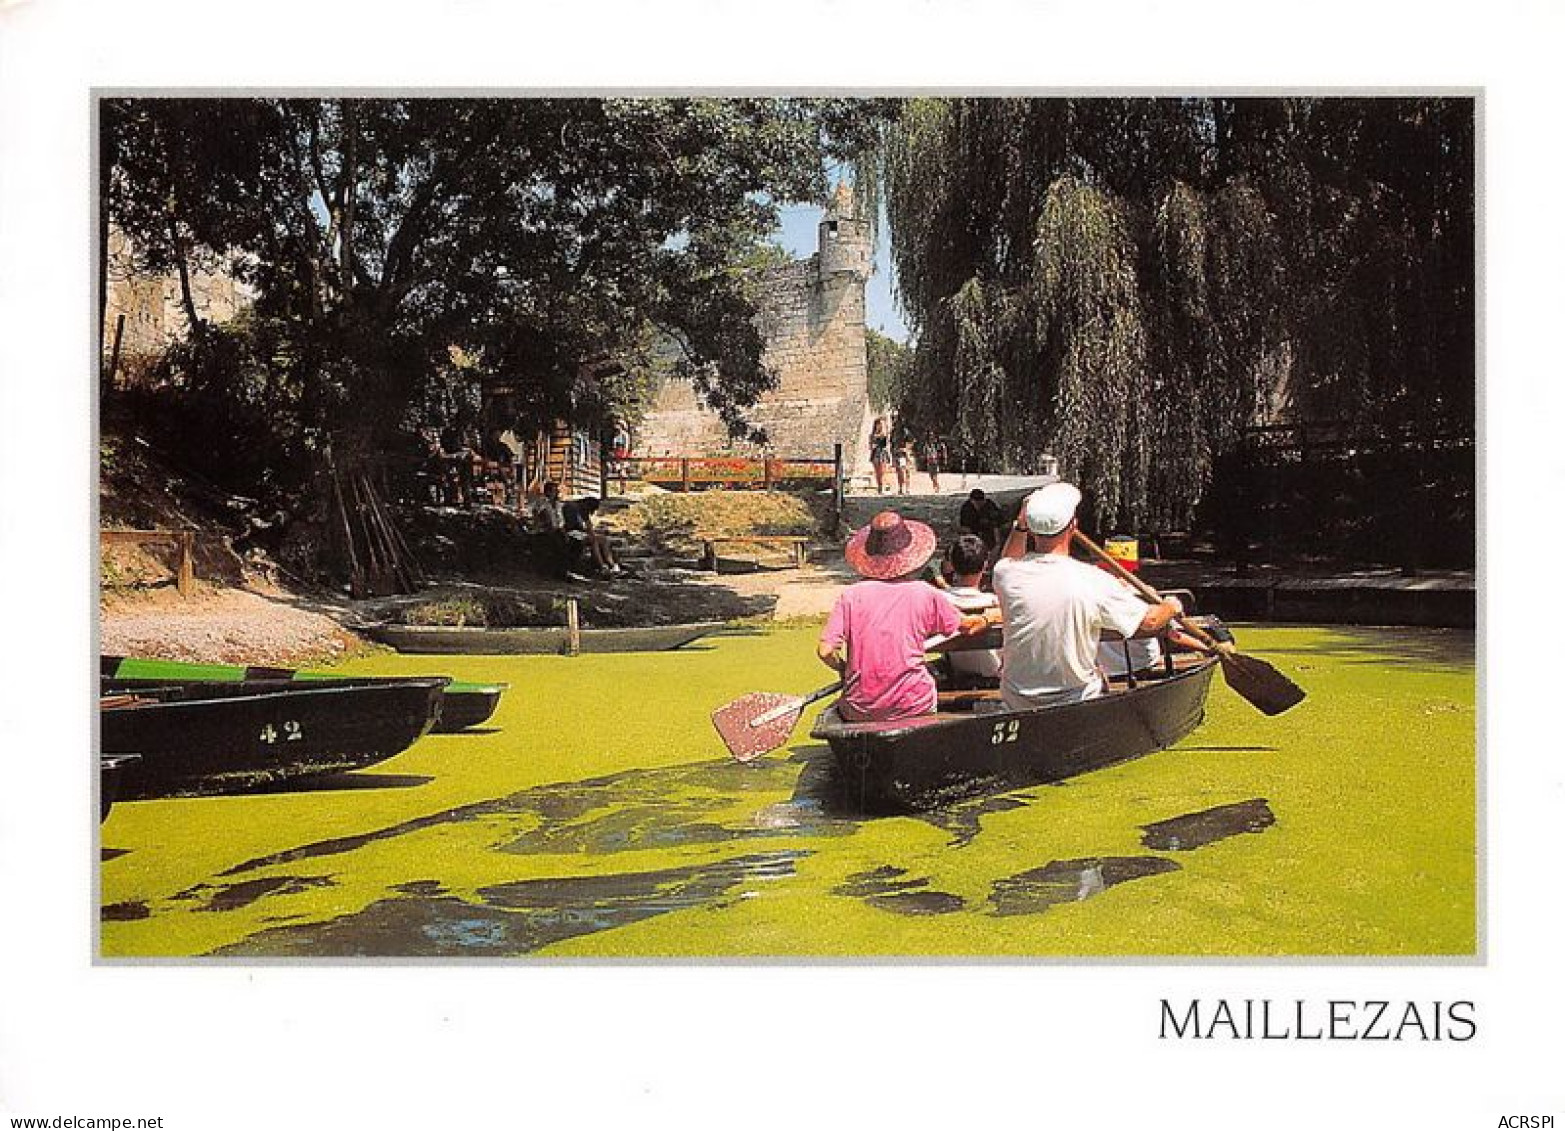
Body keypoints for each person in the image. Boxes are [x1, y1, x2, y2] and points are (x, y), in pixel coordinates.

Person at [989, 481, 1184, 710]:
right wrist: (1171, 606)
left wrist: (1019, 526)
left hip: (1017, 700)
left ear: (1030, 528)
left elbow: (1008, 560)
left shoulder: (1006, 575)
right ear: (1073, 526)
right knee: (1097, 680)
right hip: (1077, 701)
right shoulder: (1092, 580)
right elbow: (1150, 621)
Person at [818, 511, 990, 722]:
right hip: (914, 703)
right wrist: (991, 618)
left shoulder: (851, 595)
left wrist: (844, 668)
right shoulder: (924, 592)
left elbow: (825, 651)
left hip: (859, 707)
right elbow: (966, 626)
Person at [938, 534, 1003, 687]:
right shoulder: (994, 602)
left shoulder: (939, 600)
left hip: (956, 674)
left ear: (952, 564)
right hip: (993, 674)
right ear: (985, 565)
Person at [562, 495, 621, 576]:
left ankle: (612, 564)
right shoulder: (573, 507)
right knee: (594, 540)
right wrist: (590, 533)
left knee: (604, 539)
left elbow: (588, 526)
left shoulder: (581, 508)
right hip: (570, 533)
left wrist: (592, 533)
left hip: (579, 532)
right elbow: (572, 526)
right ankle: (602, 566)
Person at [868, 417, 891, 495]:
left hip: (882, 452)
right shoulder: (872, 435)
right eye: (878, 424)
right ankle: (879, 487)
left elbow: (886, 443)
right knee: (877, 472)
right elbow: (870, 446)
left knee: (883, 471)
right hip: (875, 453)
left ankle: (884, 486)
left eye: (881, 424)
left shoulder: (884, 435)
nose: (880, 426)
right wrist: (872, 445)